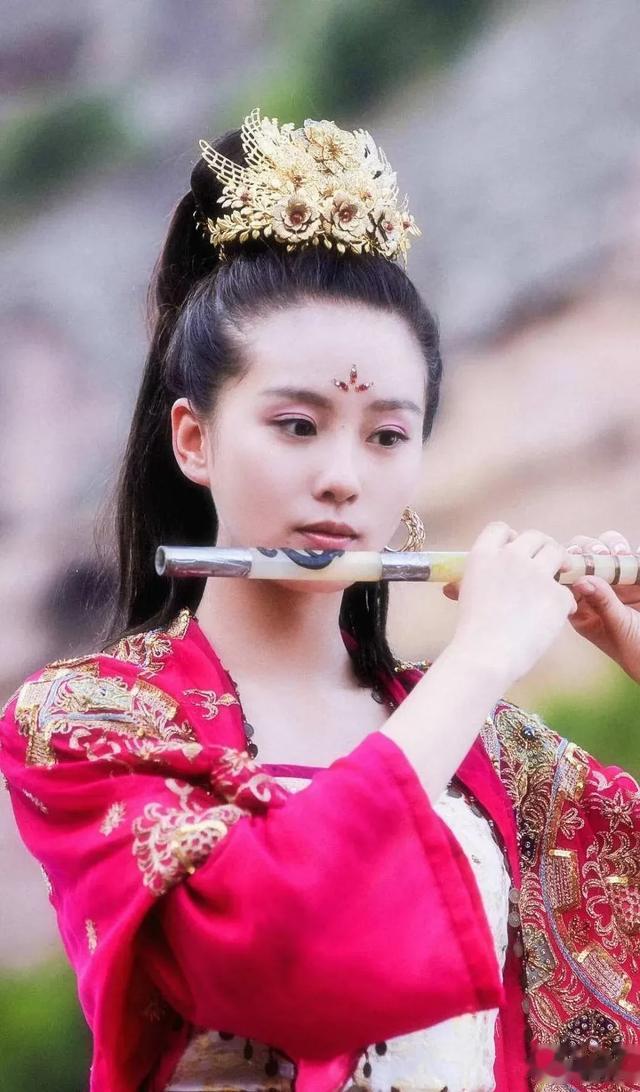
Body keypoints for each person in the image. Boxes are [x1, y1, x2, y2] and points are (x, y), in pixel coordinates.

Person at [1, 107, 639, 1092]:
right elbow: (272, 955)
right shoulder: (89, 720)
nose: (343, 478)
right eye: (298, 426)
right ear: (194, 440)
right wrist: (480, 659)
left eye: (386, 436)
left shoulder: (496, 749)